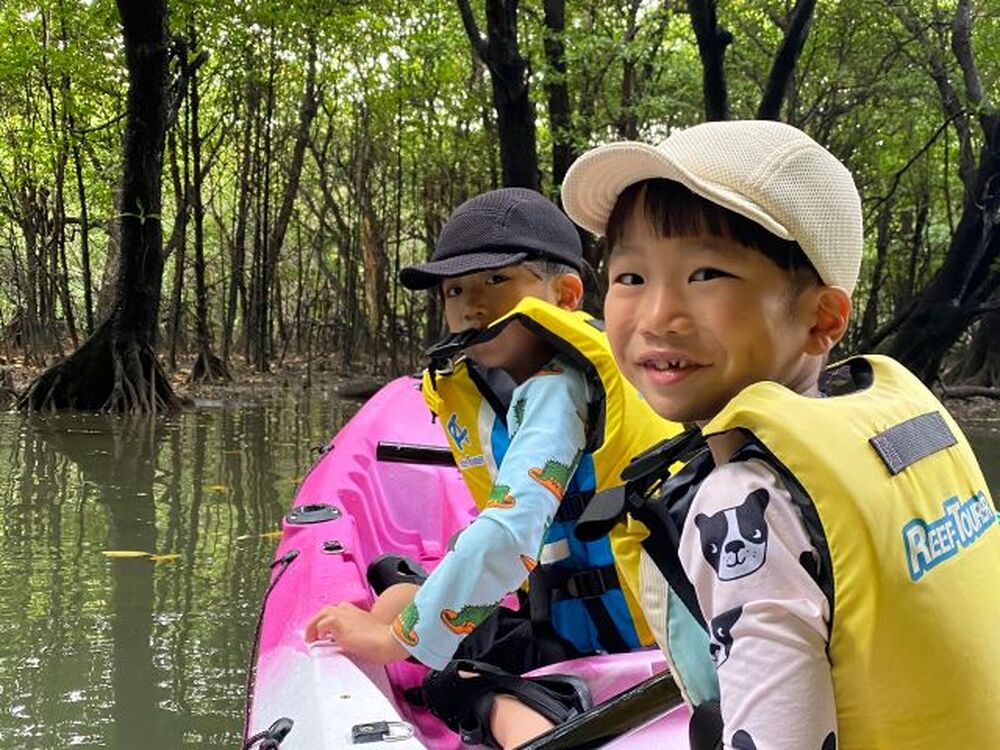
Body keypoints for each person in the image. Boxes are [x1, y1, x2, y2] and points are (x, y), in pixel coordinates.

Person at [560, 119, 1000, 749]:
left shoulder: (744, 502)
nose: (656, 316)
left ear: (822, 319)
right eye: (631, 277)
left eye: (706, 274)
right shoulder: (895, 428)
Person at [305, 187, 686, 749]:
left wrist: (396, 642)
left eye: (494, 281)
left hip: (625, 655)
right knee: (397, 584)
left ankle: (533, 724)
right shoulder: (529, 387)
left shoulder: (560, 390)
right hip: (570, 633)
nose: (470, 306)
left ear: (565, 295)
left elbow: (510, 536)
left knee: (454, 684)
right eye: (455, 289)